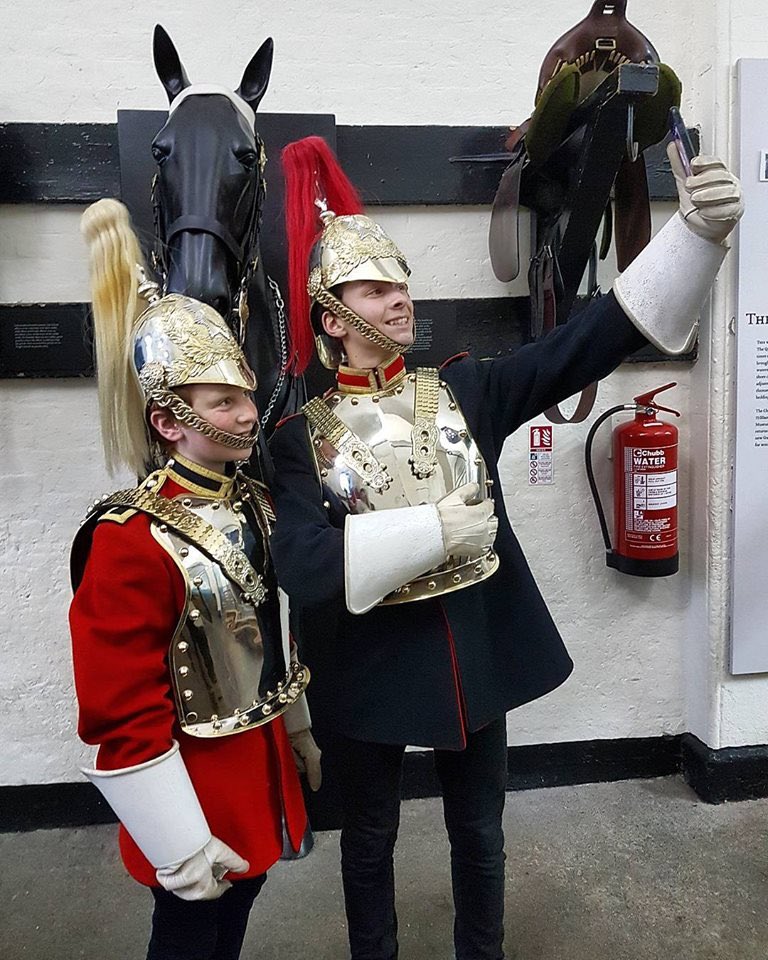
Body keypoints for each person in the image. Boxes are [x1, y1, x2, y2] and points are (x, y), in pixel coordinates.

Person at [267, 136, 743, 960]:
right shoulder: (292, 440)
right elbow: (304, 569)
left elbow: (580, 346)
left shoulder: (462, 389)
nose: (399, 302)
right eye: (376, 291)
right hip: (362, 658)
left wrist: (693, 237)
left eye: (401, 287)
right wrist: (425, 533)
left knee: (480, 835)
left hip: (465, 649)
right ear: (332, 317)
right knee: (368, 839)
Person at [70, 198, 321, 960]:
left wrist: (299, 726)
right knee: (186, 939)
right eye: (223, 401)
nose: (247, 415)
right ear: (168, 421)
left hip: (260, 759)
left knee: (235, 921)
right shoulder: (128, 538)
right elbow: (117, 709)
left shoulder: (254, 500)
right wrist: (177, 840)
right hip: (191, 783)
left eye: (245, 396)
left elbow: (267, 629)